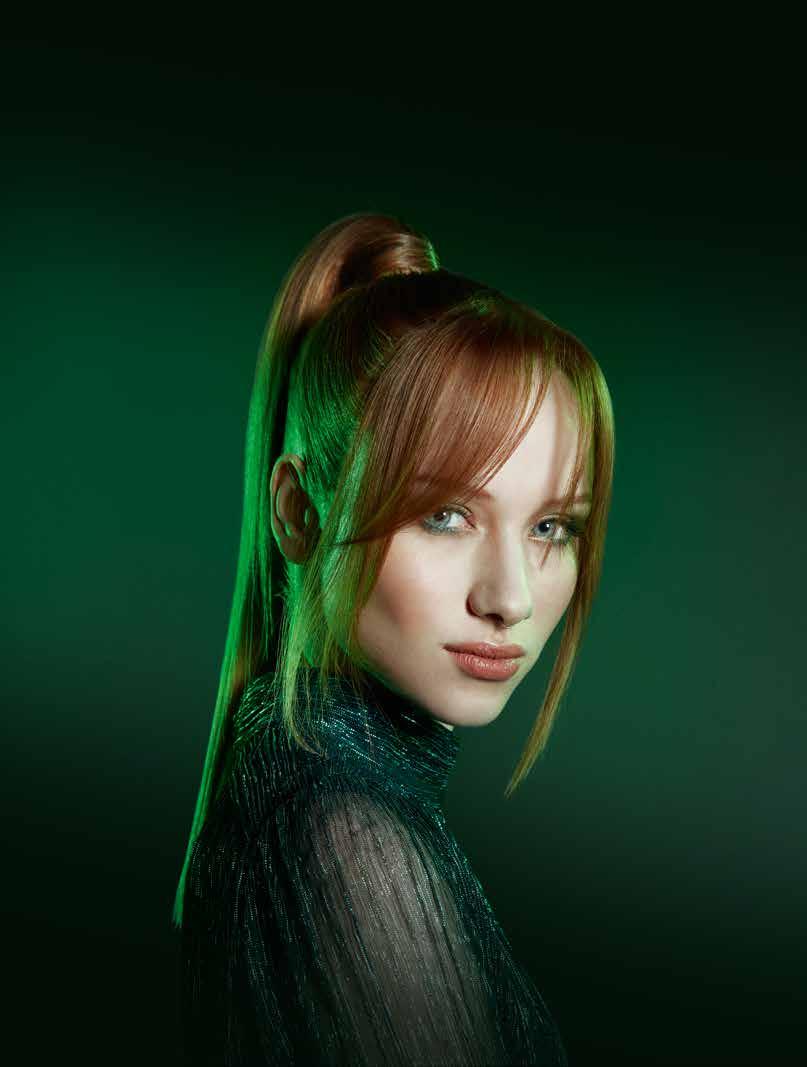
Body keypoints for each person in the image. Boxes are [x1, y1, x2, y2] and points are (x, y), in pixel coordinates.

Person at [172, 211, 615, 1065]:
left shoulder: (300, 778)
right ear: (299, 512)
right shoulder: (344, 837)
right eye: (443, 514)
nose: (510, 597)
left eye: (550, 526)